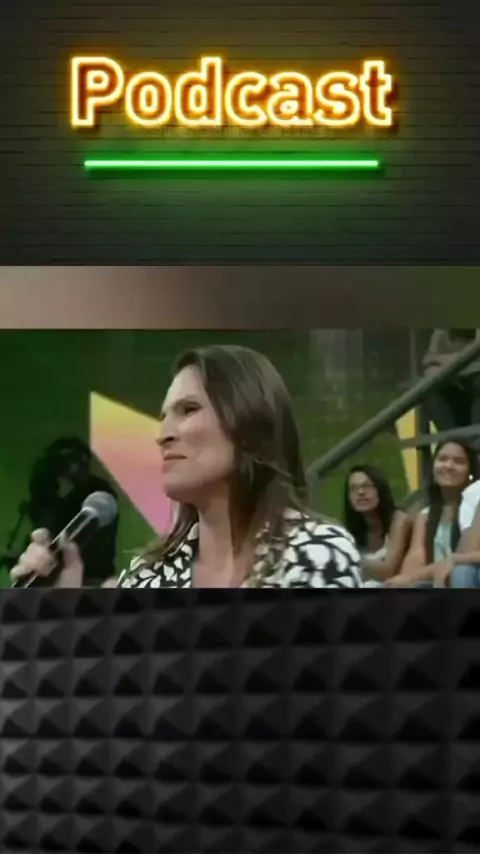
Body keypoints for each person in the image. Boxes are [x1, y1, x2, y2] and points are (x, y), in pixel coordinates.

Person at [11, 345, 363, 590]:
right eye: (164, 416)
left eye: (188, 409)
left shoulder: (317, 554)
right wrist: (64, 620)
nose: (162, 435)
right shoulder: (147, 575)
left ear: (249, 422)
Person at [17, 437, 118, 587]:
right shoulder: (54, 492)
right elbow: (43, 527)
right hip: (55, 576)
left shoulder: (98, 493)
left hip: (93, 578)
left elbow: (92, 541)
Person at [386, 441, 480, 587]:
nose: (448, 466)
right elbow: (415, 559)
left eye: (458, 461)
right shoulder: (426, 515)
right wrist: (405, 580)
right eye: (442, 459)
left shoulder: (473, 506)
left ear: (471, 471)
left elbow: (462, 558)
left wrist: (413, 578)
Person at [343, 465, 412, 586]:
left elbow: (388, 570)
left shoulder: (399, 520)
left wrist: (346, 558)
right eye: (353, 488)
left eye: (367, 486)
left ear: (380, 490)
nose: (360, 492)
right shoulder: (350, 530)